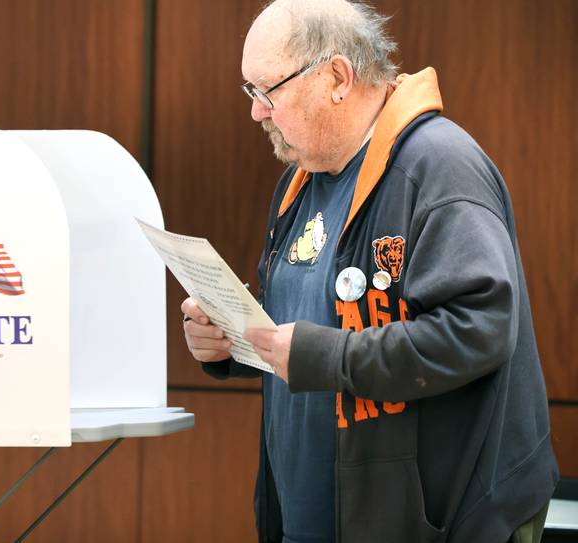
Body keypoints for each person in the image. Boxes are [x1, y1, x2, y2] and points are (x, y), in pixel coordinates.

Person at [179, 1, 559, 542]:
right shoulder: (301, 183)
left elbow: (479, 330)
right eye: (251, 93)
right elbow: (308, 328)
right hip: (312, 520)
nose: (257, 112)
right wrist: (231, 340)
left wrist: (320, 355)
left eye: (267, 90)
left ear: (337, 77)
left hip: (434, 525)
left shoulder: (439, 168)